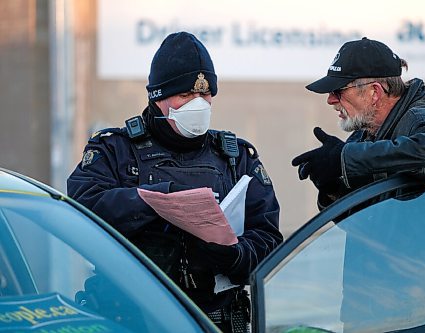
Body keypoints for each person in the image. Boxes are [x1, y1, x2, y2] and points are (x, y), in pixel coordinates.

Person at [67, 31, 282, 333]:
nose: (199, 104)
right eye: (185, 95)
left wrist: (235, 256)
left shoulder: (235, 156)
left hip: (212, 321)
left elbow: (269, 238)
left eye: (205, 95)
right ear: (158, 98)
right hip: (128, 320)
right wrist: (156, 200)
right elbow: (80, 210)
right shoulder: (115, 150)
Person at [291, 37, 425, 222]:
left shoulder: (419, 118)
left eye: (338, 91)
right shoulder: (362, 137)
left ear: (374, 92)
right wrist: (333, 189)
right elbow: (363, 225)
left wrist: (344, 159)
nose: (331, 100)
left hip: (424, 253)